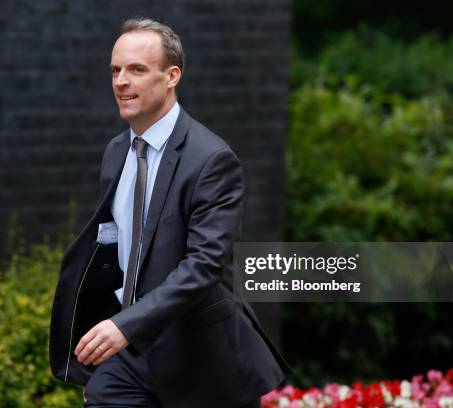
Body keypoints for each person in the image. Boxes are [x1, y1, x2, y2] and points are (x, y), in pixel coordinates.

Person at [49, 17, 290, 408]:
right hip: (130, 355)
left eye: (137, 70)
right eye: (116, 70)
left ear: (172, 76)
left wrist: (124, 325)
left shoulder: (212, 160)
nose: (121, 81)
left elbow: (205, 265)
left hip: (201, 360)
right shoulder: (116, 152)